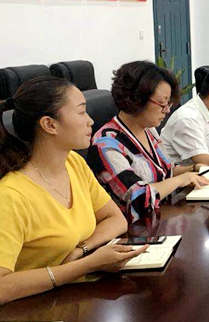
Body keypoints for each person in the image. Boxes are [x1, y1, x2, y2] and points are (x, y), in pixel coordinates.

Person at [0, 78, 148, 305]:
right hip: (33, 312)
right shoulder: (11, 195)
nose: (91, 121)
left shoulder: (73, 163)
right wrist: (87, 264)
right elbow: (2, 287)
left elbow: (116, 219)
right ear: (50, 125)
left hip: (75, 300)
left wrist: (81, 249)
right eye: (81, 112)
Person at [87, 61, 209, 223]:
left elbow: (164, 171)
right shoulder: (106, 145)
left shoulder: (148, 129)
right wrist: (181, 180)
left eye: (168, 103)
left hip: (160, 217)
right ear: (136, 99)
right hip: (134, 228)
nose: (167, 110)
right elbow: (138, 198)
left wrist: (194, 169)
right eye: (162, 103)